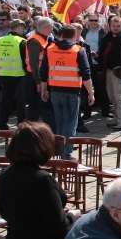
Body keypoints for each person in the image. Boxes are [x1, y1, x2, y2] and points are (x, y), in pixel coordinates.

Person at [39, 23, 94, 157]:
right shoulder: (78, 50)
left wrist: (44, 90)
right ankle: (66, 153)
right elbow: (86, 74)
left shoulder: (50, 49)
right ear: (75, 36)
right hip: (72, 91)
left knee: (60, 122)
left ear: (61, 35)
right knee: (70, 123)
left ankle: (59, 150)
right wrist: (90, 92)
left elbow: (43, 72)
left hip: (55, 91)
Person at [97, 13, 121, 127]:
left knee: (120, 97)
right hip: (109, 71)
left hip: (120, 72)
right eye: (113, 26)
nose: (115, 28)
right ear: (110, 26)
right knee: (112, 97)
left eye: (118, 26)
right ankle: (116, 118)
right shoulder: (107, 37)